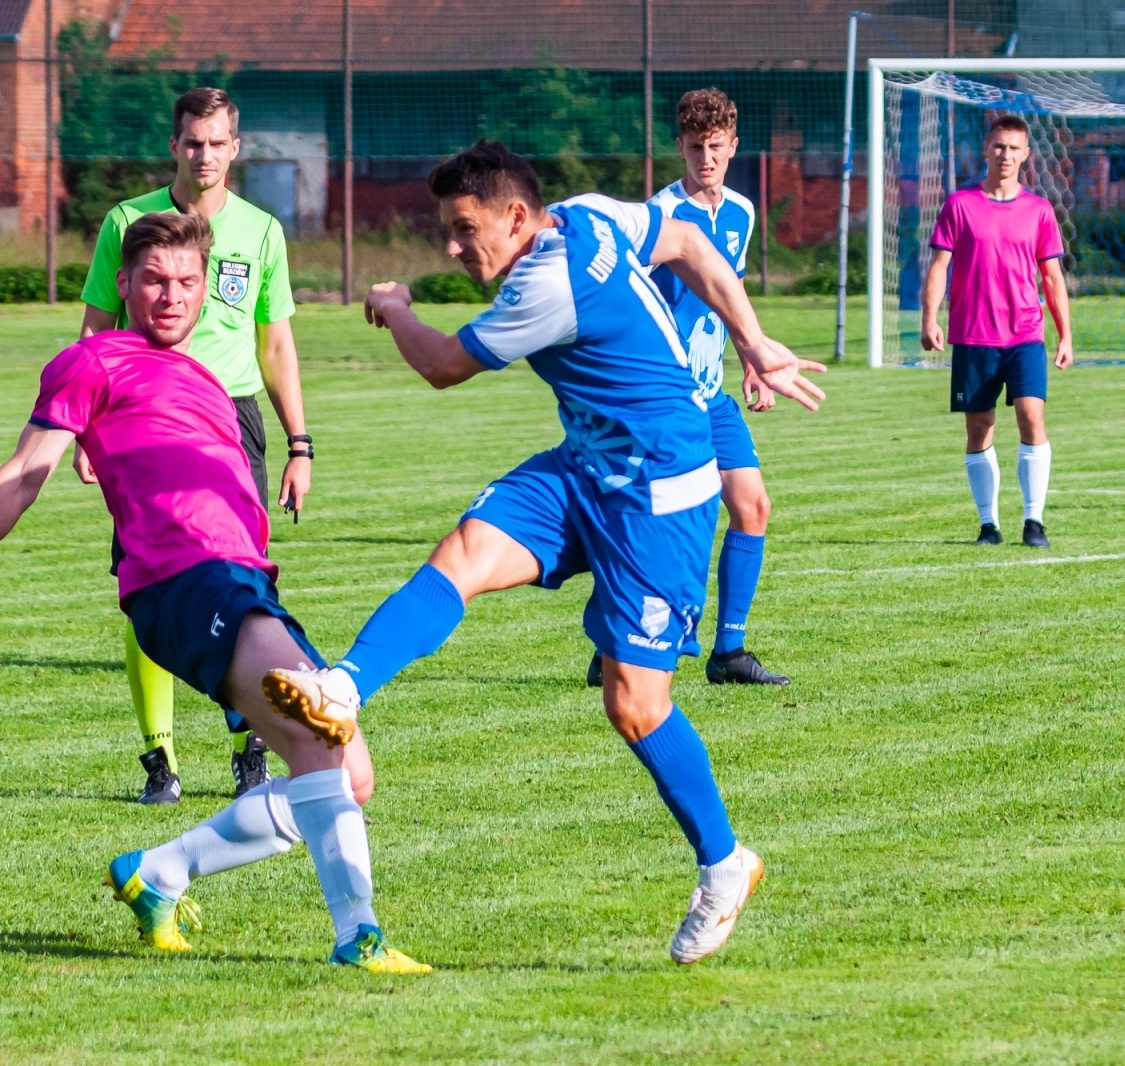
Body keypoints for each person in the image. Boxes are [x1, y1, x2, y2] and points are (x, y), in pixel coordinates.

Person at [257, 141, 826, 964]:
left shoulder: (547, 282)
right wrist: (752, 337)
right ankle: (342, 691)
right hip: (586, 466)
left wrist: (394, 307)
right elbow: (689, 244)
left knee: (634, 707)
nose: (453, 248)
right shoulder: (596, 215)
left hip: (658, 496)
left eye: (464, 229)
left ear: (516, 217)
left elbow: (445, 366)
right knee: (464, 552)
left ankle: (724, 863)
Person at [0, 213, 427, 974]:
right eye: (153, 280)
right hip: (183, 582)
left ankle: (161, 874)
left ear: (207, 289)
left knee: (351, 775)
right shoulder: (93, 360)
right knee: (319, 733)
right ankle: (359, 939)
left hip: (242, 583)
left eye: (185, 282)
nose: (170, 296)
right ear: (123, 283)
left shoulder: (209, 380)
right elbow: (20, 477)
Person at [77, 87, 313, 806]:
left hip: (232, 421)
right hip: (143, 420)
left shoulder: (262, 232)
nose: (203, 156)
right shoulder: (129, 222)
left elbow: (275, 343)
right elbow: (93, 328)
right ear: (174, 145)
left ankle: (251, 752)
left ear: (235, 148)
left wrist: (299, 442)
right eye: (192, 143)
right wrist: (88, 427)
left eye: (217, 143)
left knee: (246, 586)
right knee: (145, 581)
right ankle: (159, 761)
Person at [584, 88, 790, 690]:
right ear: (679, 147)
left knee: (752, 506)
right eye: (695, 147)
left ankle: (729, 653)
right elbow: (627, 303)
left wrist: (753, 360)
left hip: (713, 394)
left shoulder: (742, 213)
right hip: (661, 400)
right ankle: (614, 642)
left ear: (733, 147)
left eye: (716, 147)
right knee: (650, 521)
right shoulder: (656, 217)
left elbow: (731, 293)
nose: (706, 158)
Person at [921, 115, 1073, 549]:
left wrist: (1065, 335)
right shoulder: (960, 205)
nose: (1005, 155)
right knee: (980, 428)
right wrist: (929, 318)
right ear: (986, 150)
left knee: (1031, 415)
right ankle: (988, 524)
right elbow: (939, 268)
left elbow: (1053, 278)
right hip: (973, 335)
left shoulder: (1039, 211)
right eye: (999, 147)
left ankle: (1034, 521)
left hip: (1025, 334)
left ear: (1026, 155)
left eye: (1014, 148)